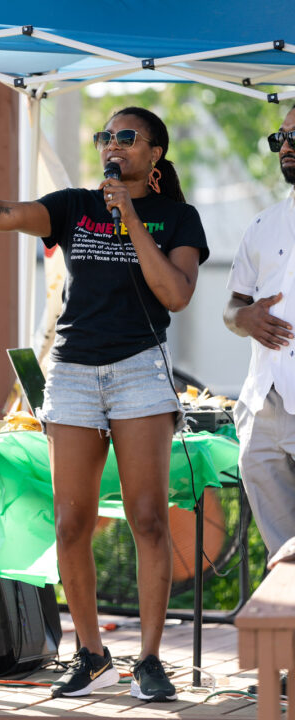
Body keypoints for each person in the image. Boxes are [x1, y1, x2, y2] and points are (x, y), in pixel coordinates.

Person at [0, 107, 209, 703]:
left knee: (148, 518)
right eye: (105, 136)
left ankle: (150, 660)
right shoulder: (73, 205)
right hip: (72, 372)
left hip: (139, 374)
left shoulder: (177, 217)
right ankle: (92, 654)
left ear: (155, 153)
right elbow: (1, 212)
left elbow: (175, 294)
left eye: (126, 137)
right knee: (72, 522)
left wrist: (130, 221)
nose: (112, 145)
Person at [224, 105, 295, 569]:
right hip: (262, 404)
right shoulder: (262, 224)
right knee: (283, 558)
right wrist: (244, 319)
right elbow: (231, 309)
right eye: (280, 138)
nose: (286, 147)